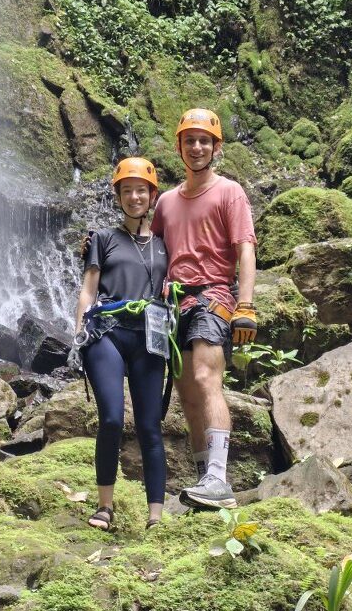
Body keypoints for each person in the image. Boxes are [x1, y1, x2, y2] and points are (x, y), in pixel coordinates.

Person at [151, 108, 257, 509]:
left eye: (204, 141)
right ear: (179, 146)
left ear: (216, 147)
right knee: (187, 394)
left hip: (214, 296)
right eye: (190, 140)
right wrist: (98, 249)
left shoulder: (230, 192)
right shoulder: (165, 202)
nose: (197, 147)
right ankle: (204, 482)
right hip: (173, 304)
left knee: (205, 377)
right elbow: (149, 252)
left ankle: (218, 478)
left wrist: (246, 305)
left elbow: (245, 250)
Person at [73, 157, 168, 531]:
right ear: (118, 196)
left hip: (149, 336)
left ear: (152, 196)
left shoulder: (164, 244)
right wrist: (79, 333)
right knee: (111, 418)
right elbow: (88, 289)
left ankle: (156, 516)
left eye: (141, 190)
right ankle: (105, 507)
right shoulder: (102, 238)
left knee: (150, 426)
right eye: (127, 191)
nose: (134, 197)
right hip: (106, 332)